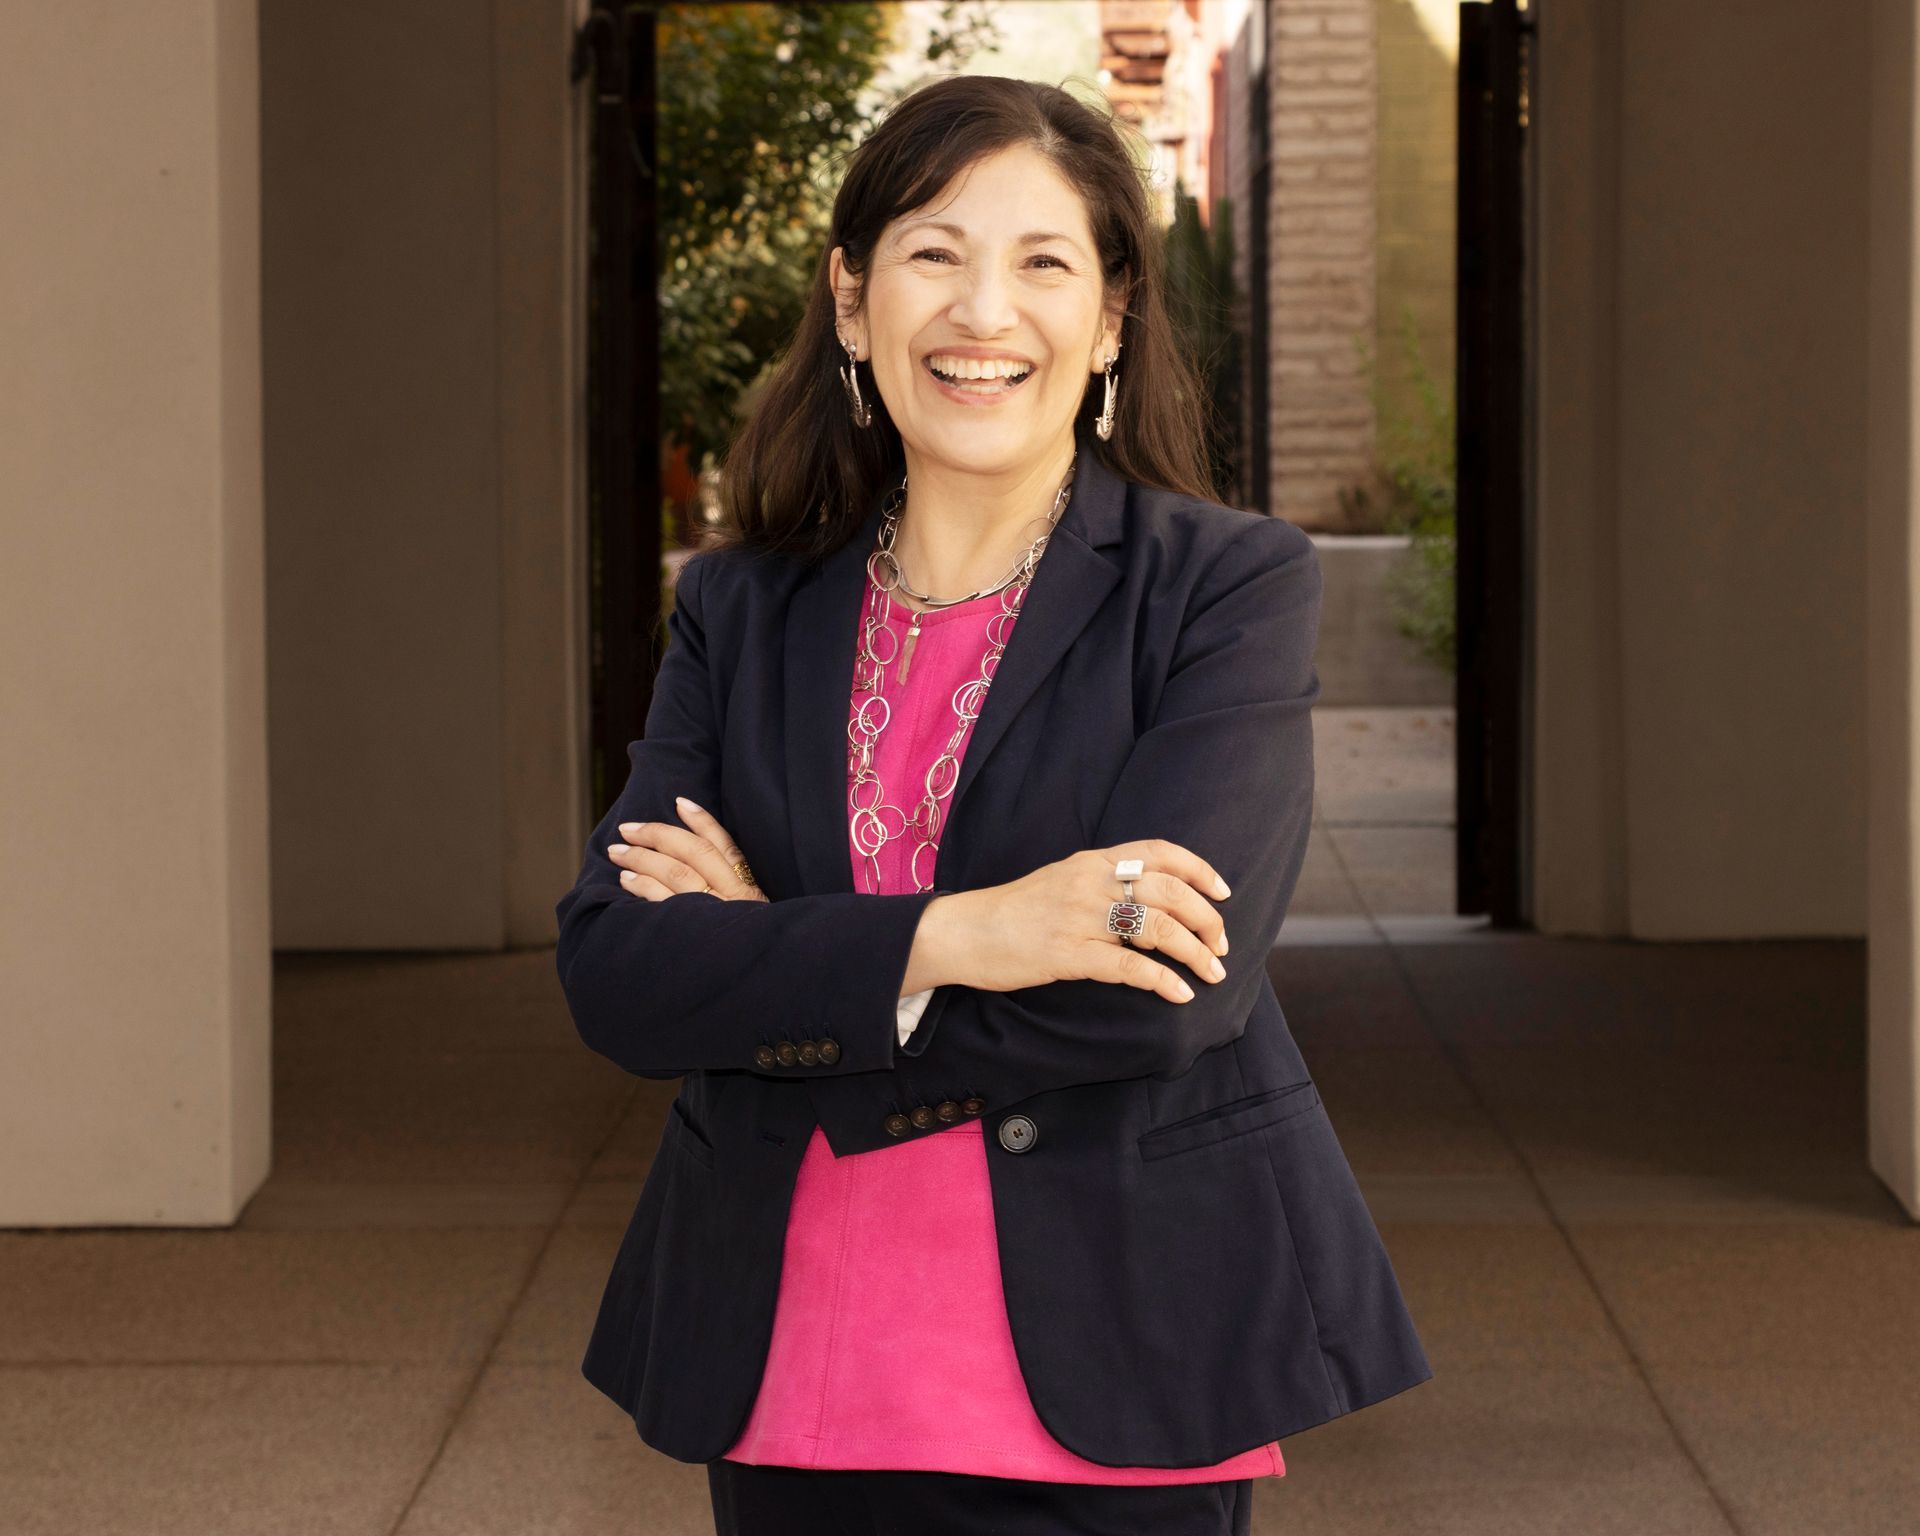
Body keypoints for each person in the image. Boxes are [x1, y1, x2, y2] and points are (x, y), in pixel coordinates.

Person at [553, 74, 1432, 1536]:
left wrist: (783, 966)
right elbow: (620, 973)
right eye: (933, 253)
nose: (983, 313)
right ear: (851, 299)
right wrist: (974, 933)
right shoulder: (739, 609)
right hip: (791, 1376)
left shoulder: (1224, 586)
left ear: (1109, 321)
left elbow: (1165, 992)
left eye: (1042, 263)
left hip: (1121, 1372)